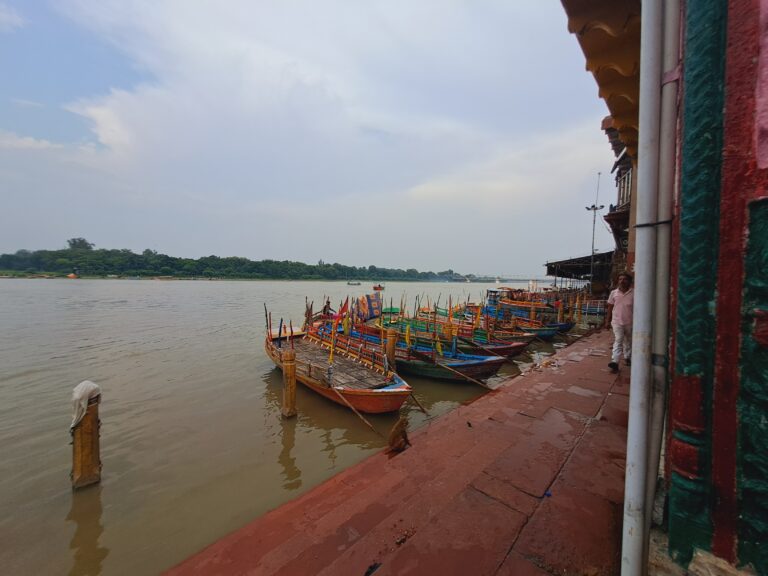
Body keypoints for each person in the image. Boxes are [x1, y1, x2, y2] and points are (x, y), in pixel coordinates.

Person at [605, 272, 634, 373]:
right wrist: (607, 321)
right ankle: (615, 361)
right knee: (619, 340)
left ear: (629, 281)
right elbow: (610, 307)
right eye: (620, 279)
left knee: (628, 341)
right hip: (616, 321)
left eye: (624, 279)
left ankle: (627, 357)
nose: (622, 281)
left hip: (630, 321)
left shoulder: (634, 293)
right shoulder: (614, 293)